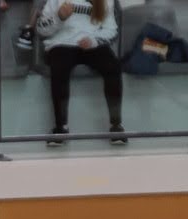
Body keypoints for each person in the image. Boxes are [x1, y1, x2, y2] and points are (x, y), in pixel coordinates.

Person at [37, 0, 126, 146]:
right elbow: (41, 29)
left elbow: (112, 30)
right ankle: (60, 128)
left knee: (113, 67)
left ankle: (116, 126)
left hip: (93, 43)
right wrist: (59, 17)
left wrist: (94, 41)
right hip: (61, 44)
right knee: (59, 67)